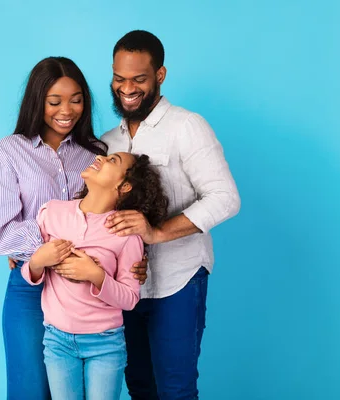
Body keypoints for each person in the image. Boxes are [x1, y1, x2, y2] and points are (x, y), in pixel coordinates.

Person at [0, 57, 147, 399]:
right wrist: (38, 251)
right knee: (30, 390)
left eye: (77, 99)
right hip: (32, 285)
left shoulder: (96, 153)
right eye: (54, 102)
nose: (66, 110)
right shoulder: (8, 154)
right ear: (37, 101)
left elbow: (117, 211)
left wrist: (136, 259)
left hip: (91, 296)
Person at [101, 30, 241, 400]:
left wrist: (157, 233)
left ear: (160, 75)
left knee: (176, 390)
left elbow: (225, 198)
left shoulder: (187, 127)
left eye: (138, 79)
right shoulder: (106, 142)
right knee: (140, 388)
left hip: (178, 282)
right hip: (125, 288)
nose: (126, 88)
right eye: (119, 78)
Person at [21, 152, 168, 400]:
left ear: (125, 186)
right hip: (57, 341)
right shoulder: (52, 212)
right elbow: (31, 273)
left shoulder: (127, 234)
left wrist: (96, 275)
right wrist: (37, 261)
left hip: (106, 345)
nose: (101, 157)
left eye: (113, 161)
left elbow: (130, 298)